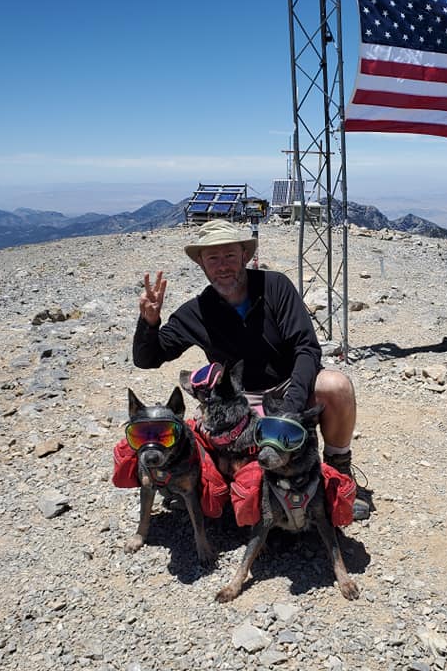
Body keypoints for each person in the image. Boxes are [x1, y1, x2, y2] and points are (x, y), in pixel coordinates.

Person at [133, 219, 370, 520]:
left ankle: (338, 477)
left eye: (230, 256)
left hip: (288, 387)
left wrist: (290, 411)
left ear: (244, 256)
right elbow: (148, 358)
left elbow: (306, 348)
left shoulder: (275, 286)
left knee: (336, 386)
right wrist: (150, 323)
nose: (222, 266)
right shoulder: (197, 311)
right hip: (240, 401)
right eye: (213, 258)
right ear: (202, 264)